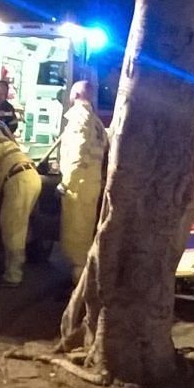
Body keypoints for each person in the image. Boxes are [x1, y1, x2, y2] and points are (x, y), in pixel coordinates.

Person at [57, 79, 107, 284]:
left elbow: (78, 153)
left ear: (76, 95)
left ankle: (79, 288)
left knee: (76, 237)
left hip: (78, 185)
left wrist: (66, 182)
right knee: (85, 233)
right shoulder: (96, 121)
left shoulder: (79, 118)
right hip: (91, 182)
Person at [0, 127, 41, 287]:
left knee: (13, 228)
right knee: (19, 225)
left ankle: (13, 276)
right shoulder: (3, 139)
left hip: (18, 180)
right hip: (31, 175)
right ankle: (14, 264)